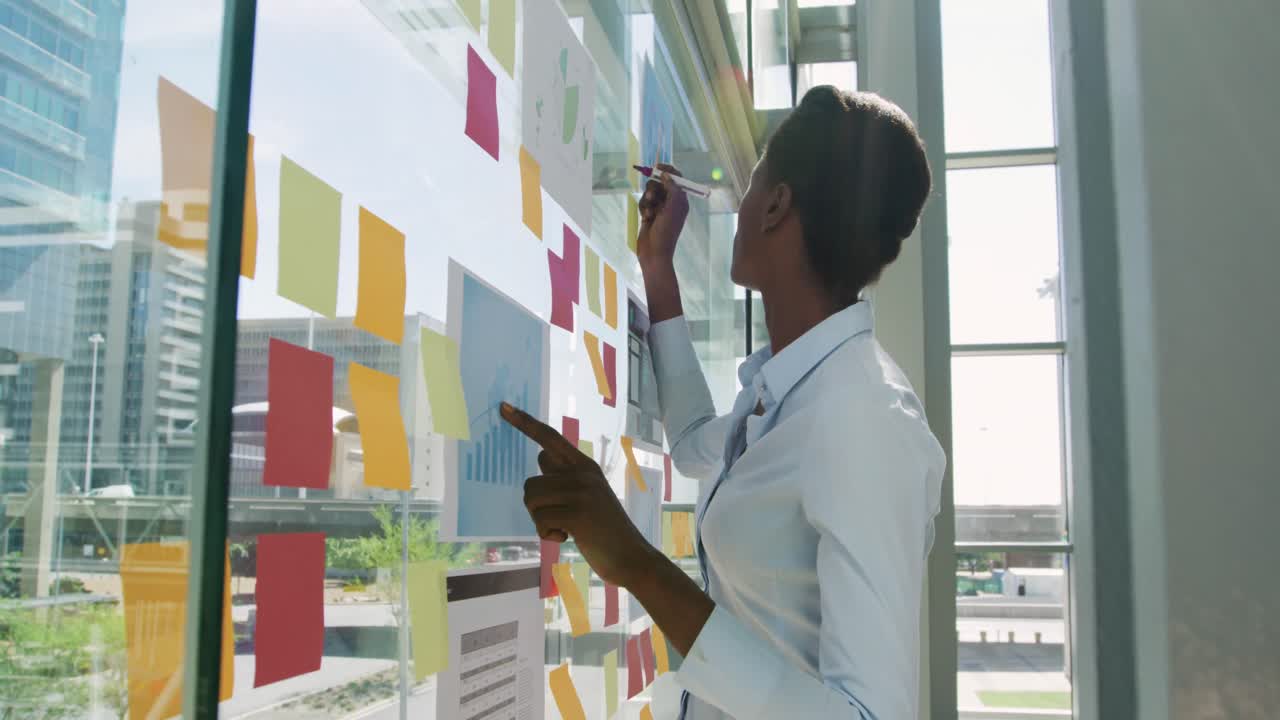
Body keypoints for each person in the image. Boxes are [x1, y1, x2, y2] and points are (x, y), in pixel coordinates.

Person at [500, 85, 945, 719]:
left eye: (753, 183)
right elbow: (691, 444)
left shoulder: (867, 422)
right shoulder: (787, 393)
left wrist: (636, 564)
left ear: (776, 206)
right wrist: (657, 269)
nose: (738, 209)